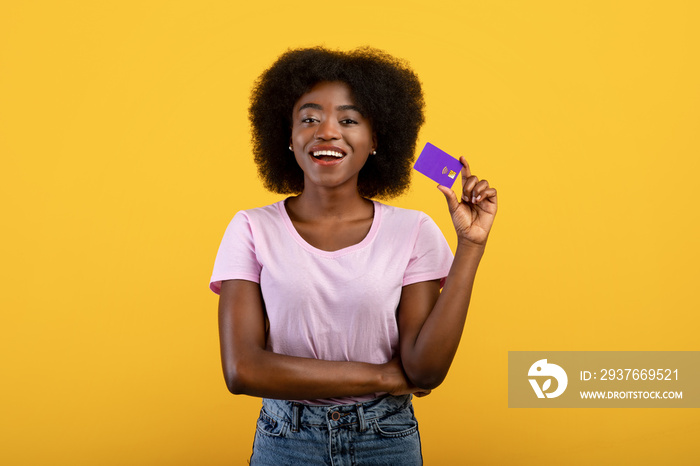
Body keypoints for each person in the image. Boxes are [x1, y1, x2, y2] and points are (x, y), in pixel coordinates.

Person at [209, 46, 497, 465]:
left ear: (375, 139)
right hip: (287, 440)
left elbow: (425, 370)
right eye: (309, 118)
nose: (327, 131)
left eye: (348, 120)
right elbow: (242, 369)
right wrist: (381, 375)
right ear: (288, 137)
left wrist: (471, 246)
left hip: (385, 437)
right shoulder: (251, 228)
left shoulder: (413, 231)